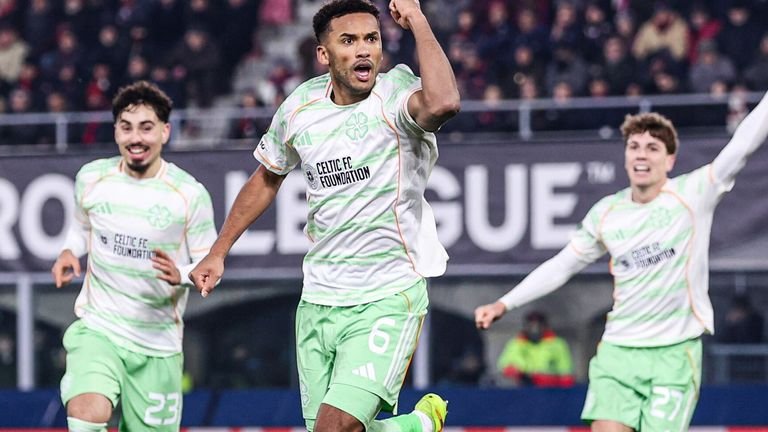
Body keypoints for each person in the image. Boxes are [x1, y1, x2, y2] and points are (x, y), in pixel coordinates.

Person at [189, 0, 460, 431]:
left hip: (387, 295)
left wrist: (419, 21)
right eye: (348, 41)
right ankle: (417, 426)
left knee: (334, 428)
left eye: (371, 39)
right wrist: (218, 252)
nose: (363, 51)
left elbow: (444, 102)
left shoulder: (396, 95)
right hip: (318, 298)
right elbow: (266, 178)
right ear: (323, 54)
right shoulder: (300, 107)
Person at [475, 89, 768, 431]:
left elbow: (743, 144)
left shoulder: (692, 195)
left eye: (653, 148)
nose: (642, 155)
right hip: (619, 351)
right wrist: (504, 303)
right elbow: (563, 265)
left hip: (674, 354)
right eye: (634, 147)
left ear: (670, 160)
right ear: (626, 156)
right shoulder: (607, 213)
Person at [51, 80, 217, 432]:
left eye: (146, 128)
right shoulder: (92, 178)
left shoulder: (189, 194)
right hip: (100, 329)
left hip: (158, 346)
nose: (135, 138)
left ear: (165, 131)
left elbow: (210, 264)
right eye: (126, 128)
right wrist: (69, 251)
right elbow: (81, 226)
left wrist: (183, 273)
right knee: (85, 416)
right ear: (115, 132)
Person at [496, 311, 574, 387]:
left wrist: (547, 379)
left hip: (550, 392)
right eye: (531, 326)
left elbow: (566, 375)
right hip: (521, 390)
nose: (534, 330)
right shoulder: (516, 344)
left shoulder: (557, 344)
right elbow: (504, 368)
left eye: (538, 326)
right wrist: (516, 374)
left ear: (545, 326)